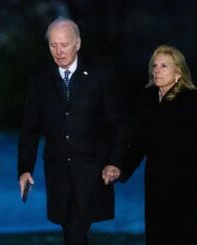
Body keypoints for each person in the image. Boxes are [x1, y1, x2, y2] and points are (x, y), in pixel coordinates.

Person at [17, 17, 126, 245]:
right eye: (53, 45)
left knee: (76, 229)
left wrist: (114, 162)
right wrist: (25, 168)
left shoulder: (99, 75)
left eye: (64, 45)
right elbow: (30, 128)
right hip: (58, 172)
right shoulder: (40, 78)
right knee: (71, 230)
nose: (58, 51)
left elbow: (117, 123)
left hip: (92, 170)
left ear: (77, 44)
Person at [120, 45, 197, 245]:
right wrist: (122, 171)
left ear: (178, 72)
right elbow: (141, 142)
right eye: (154, 65)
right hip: (157, 181)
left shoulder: (192, 100)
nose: (156, 70)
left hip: (189, 184)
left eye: (164, 66)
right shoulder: (147, 98)